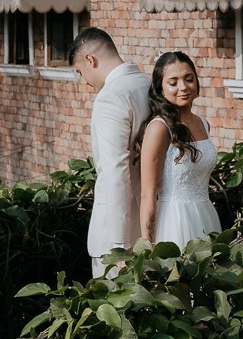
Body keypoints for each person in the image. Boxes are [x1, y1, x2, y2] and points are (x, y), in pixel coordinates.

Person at [68, 26, 150, 276]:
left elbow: (116, 171)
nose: (85, 81)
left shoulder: (111, 97)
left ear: (90, 60)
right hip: (153, 221)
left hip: (122, 233)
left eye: (81, 72)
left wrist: (118, 244)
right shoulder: (148, 84)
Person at [135, 51, 221, 249]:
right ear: (161, 89)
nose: (183, 87)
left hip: (206, 215)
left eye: (189, 79)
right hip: (175, 220)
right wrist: (148, 247)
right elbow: (148, 193)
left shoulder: (202, 123)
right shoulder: (159, 128)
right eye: (173, 82)